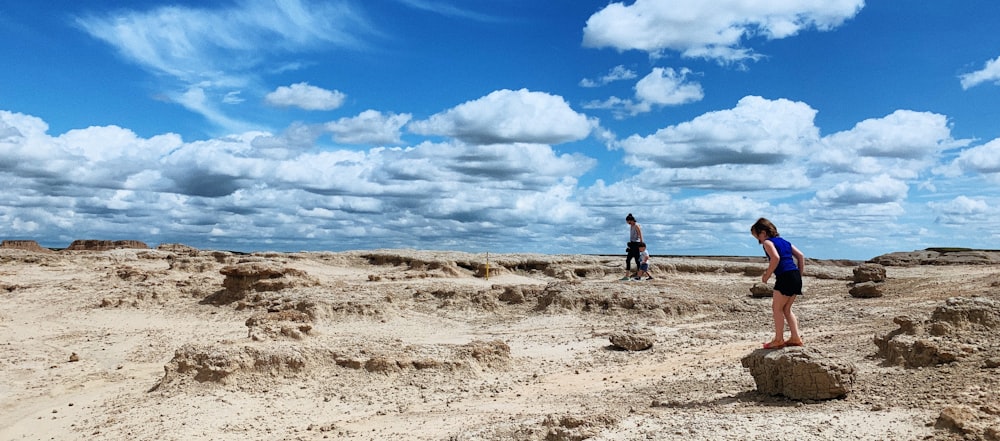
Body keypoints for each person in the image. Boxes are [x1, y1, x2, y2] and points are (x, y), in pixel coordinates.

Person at [751, 217, 805, 349]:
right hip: (795, 276)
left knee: (777, 309)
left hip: (785, 277)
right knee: (787, 309)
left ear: (763, 233)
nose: (759, 242)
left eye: (757, 238)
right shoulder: (785, 242)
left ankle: (779, 339)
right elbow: (801, 256)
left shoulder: (768, 243)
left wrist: (766, 275)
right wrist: (799, 274)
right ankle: (795, 337)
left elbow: (775, 258)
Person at [621, 213, 644, 280]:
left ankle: (639, 276)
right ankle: (627, 276)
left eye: (628, 221)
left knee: (637, 261)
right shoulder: (631, 226)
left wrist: (641, 243)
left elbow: (640, 234)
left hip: (636, 244)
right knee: (628, 260)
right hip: (632, 244)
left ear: (631, 220)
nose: (628, 223)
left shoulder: (636, 225)